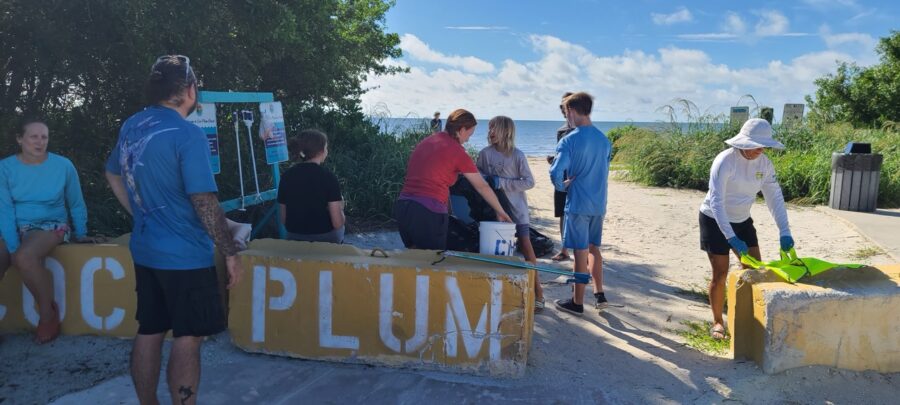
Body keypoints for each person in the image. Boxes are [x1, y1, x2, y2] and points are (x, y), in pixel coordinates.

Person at [105, 55, 243, 405]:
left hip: (146, 248)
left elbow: (112, 174)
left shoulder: (132, 125)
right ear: (189, 90)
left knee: (150, 329)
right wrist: (229, 252)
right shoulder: (188, 134)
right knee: (189, 336)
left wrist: (140, 213)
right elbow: (203, 200)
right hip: (185, 255)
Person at [699, 118, 794, 340]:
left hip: (742, 220)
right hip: (714, 218)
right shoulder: (725, 161)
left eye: (762, 146)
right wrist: (730, 237)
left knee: (754, 271)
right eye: (754, 145)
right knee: (721, 272)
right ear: (743, 142)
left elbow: (774, 198)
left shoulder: (764, 164)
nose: (758, 150)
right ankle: (717, 322)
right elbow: (716, 202)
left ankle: (747, 316)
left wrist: (785, 231)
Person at [0, 118, 89, 344]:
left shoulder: (63, 165)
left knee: (24, 257)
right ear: (20, 139)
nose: (40, 142)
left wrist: (81, 232)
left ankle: (48, 315)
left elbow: (76, 202)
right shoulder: (5, 168)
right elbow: (5, 210)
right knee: (8, 253)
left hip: (52, 224)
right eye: (33, 136)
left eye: (44, 137)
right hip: (16, 225)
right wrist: (11, 245)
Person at [394, 108, 512, 250]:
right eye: (470, 134)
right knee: (432, 264)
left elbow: (431, 176)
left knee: (415, 261)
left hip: (403, 208)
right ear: (461, 129)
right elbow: (482, 186)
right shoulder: (457, 151)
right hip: (428, 212)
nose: (468, 139)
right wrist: (500, 211)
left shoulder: (428, 141)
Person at [549, 92, 611, 316]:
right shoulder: (603, 140)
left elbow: (556, 172)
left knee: (580, 252)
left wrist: (562, 186)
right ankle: (599, 293)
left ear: (572, 111)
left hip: (578, 203)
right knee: (594, 247)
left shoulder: (569, 139)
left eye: (567, 112)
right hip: (598, 202)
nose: (567, 117)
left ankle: (577, 301)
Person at [477, 116, 544, 311]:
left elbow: (529, 182)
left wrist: (502, 182)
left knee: (526, 248)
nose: (490, 132)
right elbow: (478, 178)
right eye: (489, 128)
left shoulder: (518, 156)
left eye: (494, 129)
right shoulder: (485, 154)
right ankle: (494, 293)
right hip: (494, 212)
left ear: (506, 131)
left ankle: (538, 293)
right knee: (493, 251)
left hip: (517, 211)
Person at [278, 129, 345, 244]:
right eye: (326, 148)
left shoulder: (286, 176)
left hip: (294, 237)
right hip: (325, 238)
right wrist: (342, 209)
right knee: (341, 227)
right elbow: (337, 223)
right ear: (320, 151)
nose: (327, 151)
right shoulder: (329, 177)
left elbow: (283, 219)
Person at [547, 92, 575, 262]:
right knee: (563, 214)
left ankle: (584, 252)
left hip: (578, 180)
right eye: (564, 108)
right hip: (562, 179)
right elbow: (561, 154)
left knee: (579, 215)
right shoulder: (561, 131)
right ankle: (564, 250)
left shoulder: (583, 130)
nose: (566, 111)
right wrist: (554, 160)